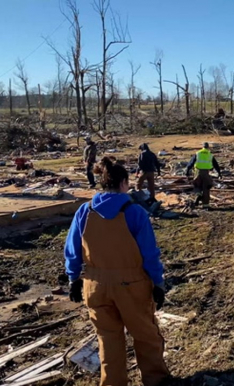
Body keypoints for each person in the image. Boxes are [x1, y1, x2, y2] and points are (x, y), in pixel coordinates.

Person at [64, 157, 169, 386]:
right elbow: (149, 253)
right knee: (145, 335)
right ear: (123, 182)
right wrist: (157, 283)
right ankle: (155, 380)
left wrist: (73, 279)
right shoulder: (135, 213)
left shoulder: (84, 211)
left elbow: (72, 249)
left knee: (108, 339)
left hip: (95, 286)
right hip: (132, 285)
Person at [186, 142, 221, 208]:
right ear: (208, 147)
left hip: (198, 172)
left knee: (197, 185)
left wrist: (187, 171)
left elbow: (191, 163)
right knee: (206, 188)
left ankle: (198, 194)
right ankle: (205, 205)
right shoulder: (210, 154)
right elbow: (215, 164)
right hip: (206, 173)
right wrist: (219, 173)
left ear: (202, 147)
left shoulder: (198, 153)